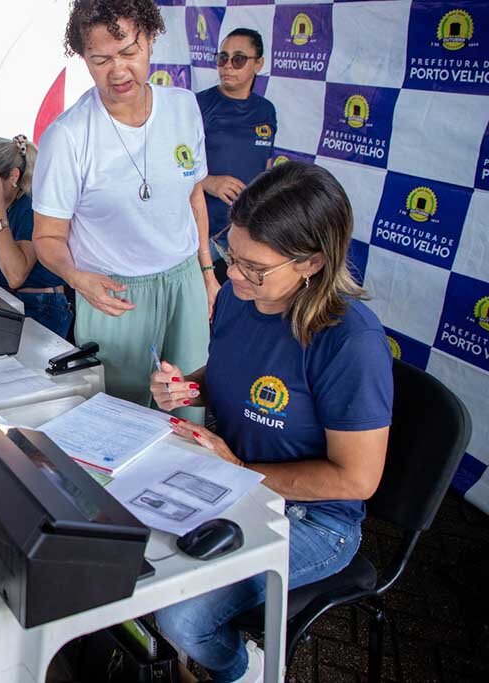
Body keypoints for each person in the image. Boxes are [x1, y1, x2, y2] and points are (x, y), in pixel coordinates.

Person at [149, 162, 392, 682]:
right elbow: (227, 373)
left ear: (312, 264)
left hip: (314, 520)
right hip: (230, 483)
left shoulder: (351, 343)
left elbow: (357, 478)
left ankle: (244, 671)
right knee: (132, 560)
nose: (233, 275)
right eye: (230, 255)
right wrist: (187, 387)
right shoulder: (243, 298)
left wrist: (238, 466)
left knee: (181, 616)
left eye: (254, 267)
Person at [33, 0, 218, 415]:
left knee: (190, 404)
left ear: (151, 40)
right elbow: (46, 237)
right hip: (112, 293)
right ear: (83, 58)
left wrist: (206, 273)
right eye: (100, 60)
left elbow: (194, 196)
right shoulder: (67, 136)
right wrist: (78, 278)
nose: (118, 71)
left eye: (129, 53)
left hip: (184, 279)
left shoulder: (183, 107)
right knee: (119, 418)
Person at [0, 135, 73, 337]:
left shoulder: (31, 208)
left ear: (13, 176)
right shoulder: (10, 207)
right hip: (15, 303)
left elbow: (15, 276)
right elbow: (13, 251)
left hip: (41, 310)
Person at [196, 28, 277, 283]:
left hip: (247, 234)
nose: (228, 66)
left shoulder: (266, 110)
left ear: (259, 64)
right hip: (202, 235)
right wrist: (209, 182)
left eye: (239, 59)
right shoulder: (198, 104)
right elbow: (168, 164)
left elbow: (266, 165)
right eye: (223, 58)